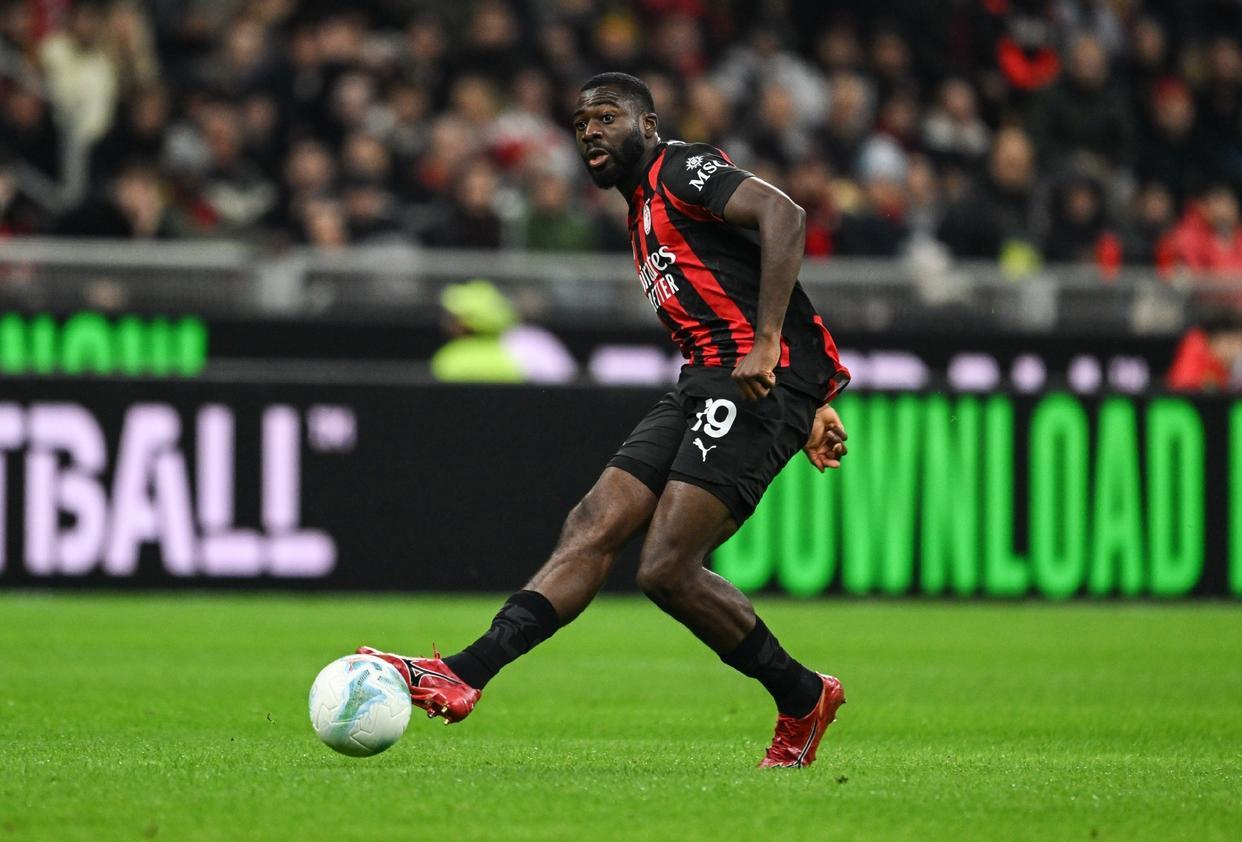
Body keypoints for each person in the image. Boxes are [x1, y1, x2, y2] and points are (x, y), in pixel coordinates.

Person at [360, 73, 852, 769]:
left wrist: (774, 351)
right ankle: (463, 673)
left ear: (647, 125)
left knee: (667, 568)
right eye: (581, 122)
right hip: (708, 379)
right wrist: (809, 397)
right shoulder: (640, 208)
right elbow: (733, 286)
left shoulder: (681, 168)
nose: (590, 130)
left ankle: (802, 696)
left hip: (747, 380)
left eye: (607, 117)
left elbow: (786, 216)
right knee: (593, 522)